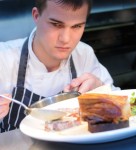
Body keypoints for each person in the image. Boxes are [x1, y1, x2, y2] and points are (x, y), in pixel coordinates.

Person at [0, 0, 119, 132]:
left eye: (77, 26)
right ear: (36, 16)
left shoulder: (84, 54)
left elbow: (122, 110)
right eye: (56, 24)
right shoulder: (4, 58)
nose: (66, 39)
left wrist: (101, 92)